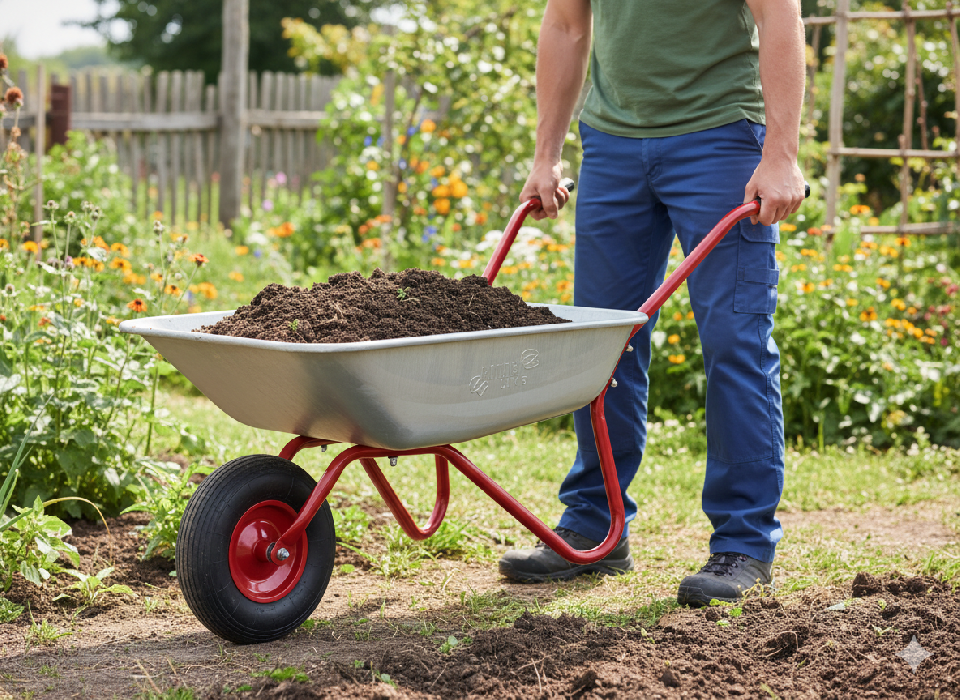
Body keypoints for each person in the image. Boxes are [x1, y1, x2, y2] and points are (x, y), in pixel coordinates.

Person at [498, 0, 806, 606]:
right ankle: (595, 526)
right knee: (602, 346)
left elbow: (779, 17)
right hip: (612, 145)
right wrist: (546, 154)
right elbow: (565, 24)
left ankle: (744, 542)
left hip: (720, 140)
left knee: (734, 341)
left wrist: (781, 154)